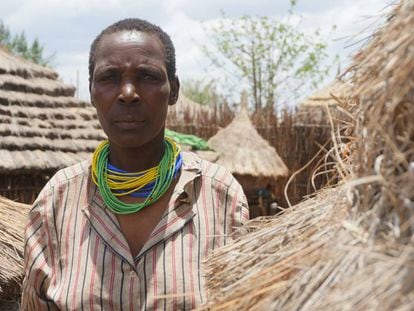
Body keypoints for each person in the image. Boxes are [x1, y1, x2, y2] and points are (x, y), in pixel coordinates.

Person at [21, 18, 249, 310]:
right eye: (110, 77)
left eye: (147, 76)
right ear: (91, 92)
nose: (128, 93)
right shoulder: (56, 202)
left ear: (174, 90)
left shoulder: (221, 198)